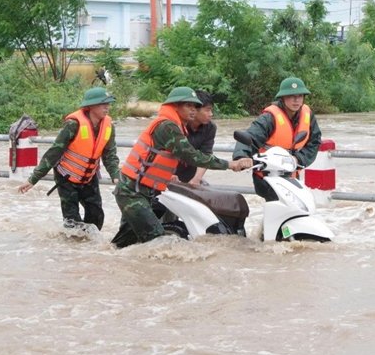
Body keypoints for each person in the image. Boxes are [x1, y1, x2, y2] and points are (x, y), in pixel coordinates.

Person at [111, 86, 250, 248]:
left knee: (123, 245)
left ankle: (102, 262)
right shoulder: (167, 127)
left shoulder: (178, 127)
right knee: (158, 242)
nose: (193, 110)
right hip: (132, 191)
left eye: (195, 106)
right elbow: (191, 155)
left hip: (145, 191)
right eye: (188, 106)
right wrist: (228, 164)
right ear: (175, 106)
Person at [18, 87, 120, 231]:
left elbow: (110, 155)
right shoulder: (74, 124)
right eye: (102, 104)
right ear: (91, 106)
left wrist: (116, 176)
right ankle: (70, 248)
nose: (107, 107)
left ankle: (88, 251)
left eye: (108, 104)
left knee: (96, 218)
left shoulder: (108, 126)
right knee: (72, 223)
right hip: (66, 178)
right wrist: (33, 179)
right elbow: (54, 152)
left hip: (89, 178)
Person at [233, 77, 322, 201]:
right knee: (277, 208)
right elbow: (251, 136)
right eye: (291, 96)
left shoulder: (307, 115)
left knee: (296, 208)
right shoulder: (269, 117)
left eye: (300, 95)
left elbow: (315, 141)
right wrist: (241, 157)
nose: (296, 100)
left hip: (291, 173)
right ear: (282, 98)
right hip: (267, 174)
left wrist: (299, 158)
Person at [174, 90, 216, 186]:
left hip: (190, 174)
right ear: (195, 110)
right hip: (170, 174)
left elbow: (206, 155)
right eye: (207, 110)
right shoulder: (175, 125)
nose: (211, 114)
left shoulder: (210, 128)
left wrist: (196, 179)